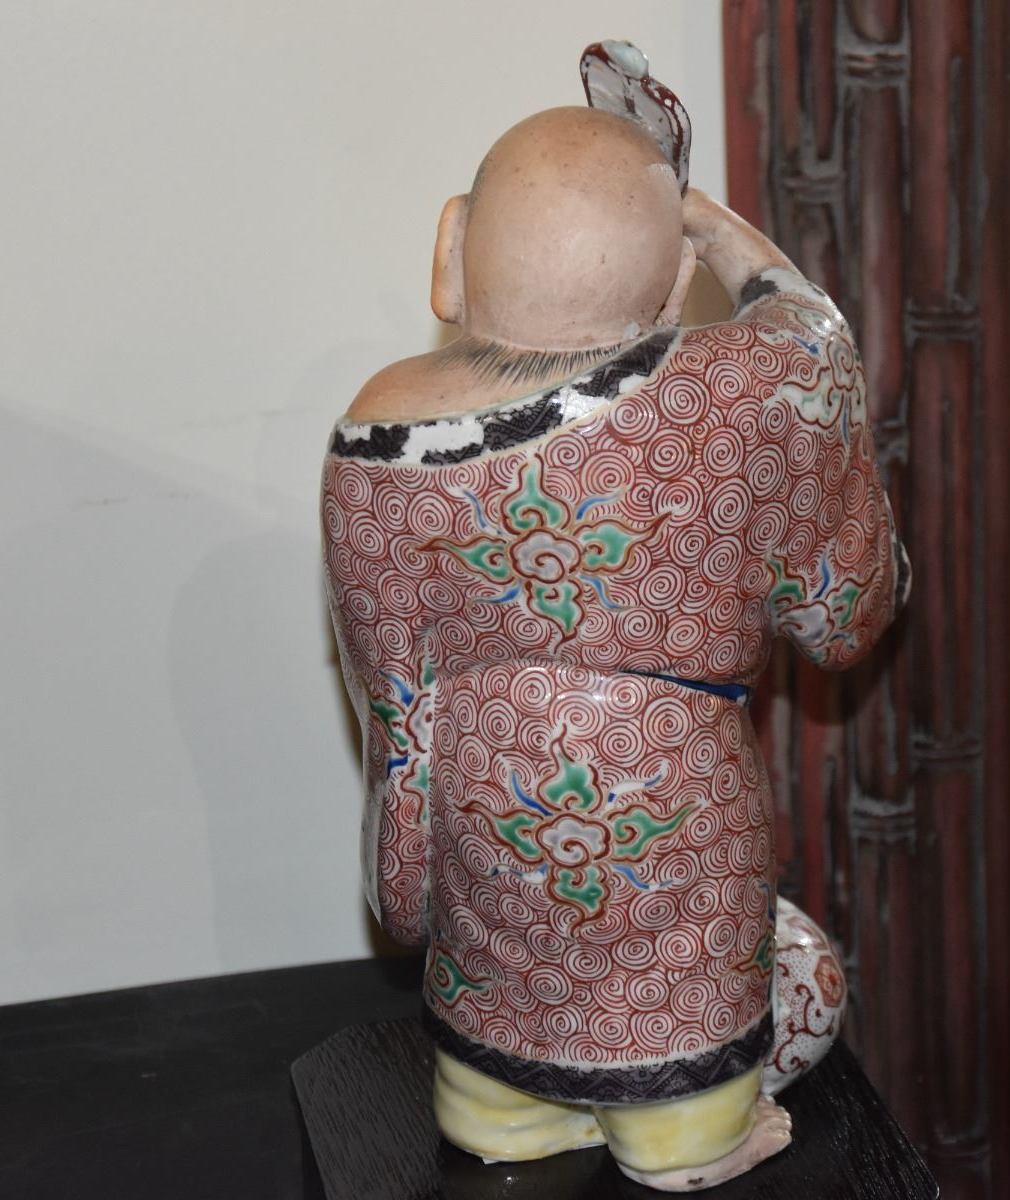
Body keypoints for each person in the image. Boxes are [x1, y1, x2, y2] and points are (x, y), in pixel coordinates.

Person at [321, 91, 906, 1190]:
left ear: (450, 251)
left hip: (488, 814)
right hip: (674, 811)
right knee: (800, 978)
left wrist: (403, 880)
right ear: (676, 284)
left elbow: (397, 704)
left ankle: (501, 1104)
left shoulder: (375, 433)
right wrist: (714, 225)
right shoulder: (741, 394)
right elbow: (844, 611)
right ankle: (685, 1132)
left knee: (503, 983)